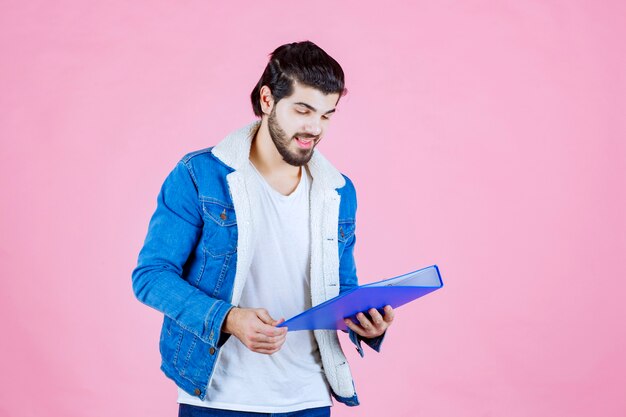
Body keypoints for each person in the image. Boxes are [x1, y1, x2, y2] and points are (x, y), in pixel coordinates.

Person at [132, 40, 395, 417]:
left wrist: (365, 324)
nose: (313, 128)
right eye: (303, 110)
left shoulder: (338, 191)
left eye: (326, 115)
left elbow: (341, 287)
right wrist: (229, 318)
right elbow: (151, 276)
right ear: (268, 100)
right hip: (220, 397)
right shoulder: (200, 175)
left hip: (309, 396)